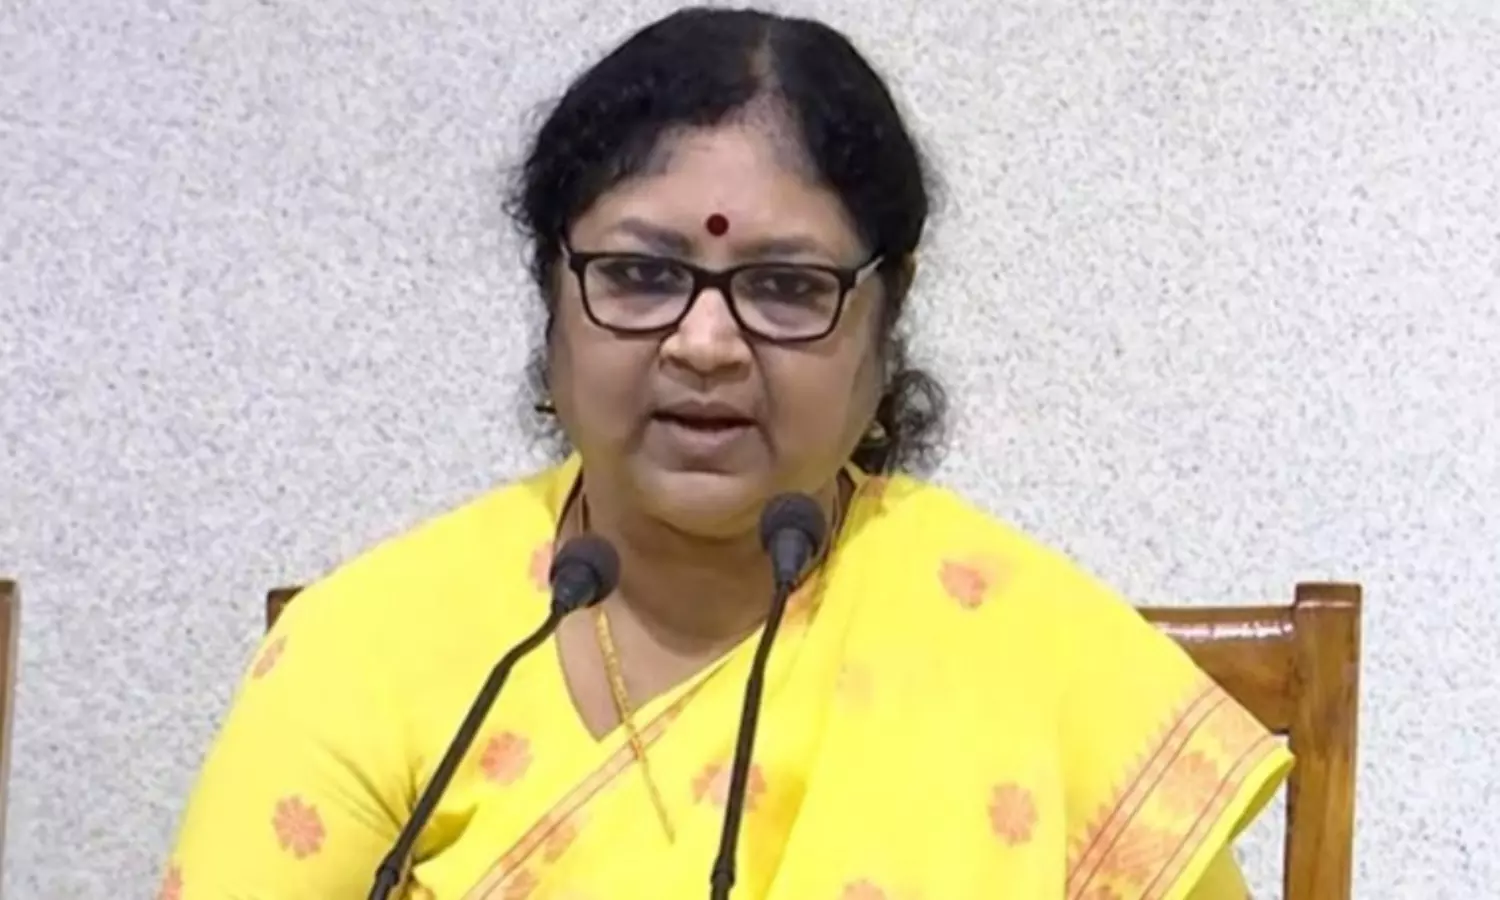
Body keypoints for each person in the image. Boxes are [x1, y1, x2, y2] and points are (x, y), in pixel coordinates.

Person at [163, 7, 1291, 899]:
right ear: (552, 300)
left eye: (786, 287)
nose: (704, 344)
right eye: (641, 275)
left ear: (886, 320)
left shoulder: (1030, 655)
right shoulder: (374, 648)